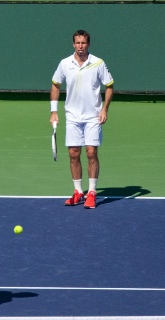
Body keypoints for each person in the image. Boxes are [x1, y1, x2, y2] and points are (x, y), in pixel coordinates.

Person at [50, 30, 114, 209]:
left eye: (83, 43)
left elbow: (109, 86)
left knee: (91, 152)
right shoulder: (65, 63)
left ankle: (92, 192)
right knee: (73, 154)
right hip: (72, 116)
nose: (80, 46)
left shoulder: (98, 63)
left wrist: (104, 109)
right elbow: (55, 85)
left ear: (88, 44)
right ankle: (78, 191)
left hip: (93, 116)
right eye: (77, 43)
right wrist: (53, 111)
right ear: (73, 44)